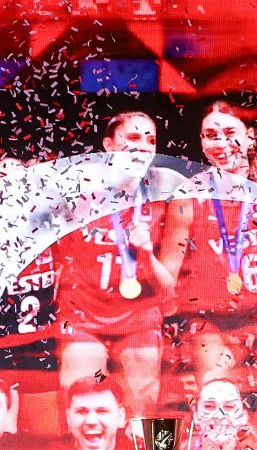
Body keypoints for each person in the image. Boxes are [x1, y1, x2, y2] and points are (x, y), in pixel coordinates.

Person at [157, 101, 257, 428]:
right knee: (215, 401)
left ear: (251, 137)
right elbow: (168, 270)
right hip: (216, 322)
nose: (221, 144)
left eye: (230, 134)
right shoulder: (188, 195)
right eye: (211, 136)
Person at [53, 111, 175, 414]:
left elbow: (169, 288)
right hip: (83, 318)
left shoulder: (164, 195)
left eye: (150, 140)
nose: (144, 146)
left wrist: (145, 253)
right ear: (108, 145)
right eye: (133, 138)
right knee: (84, 404)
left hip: (139, 319)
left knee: (141, 413)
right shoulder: (73, 193)